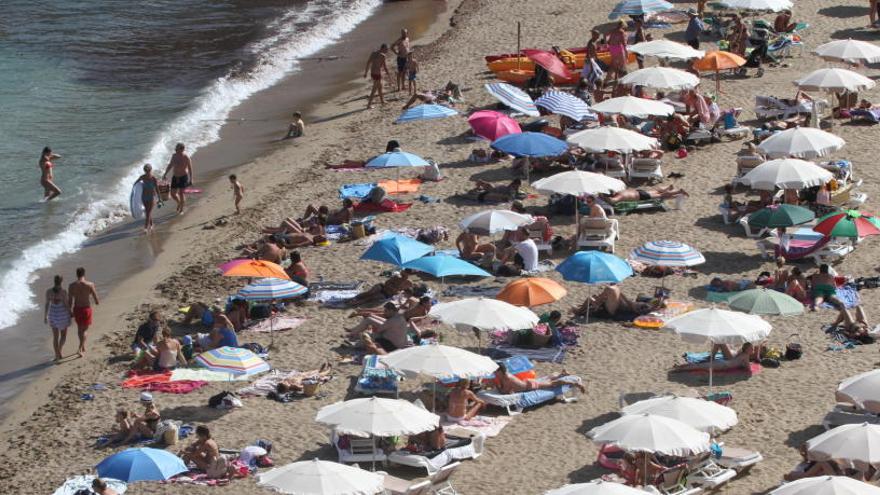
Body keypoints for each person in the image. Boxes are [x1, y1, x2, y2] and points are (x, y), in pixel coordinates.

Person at [571, 284, 655, 321]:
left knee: (610, 289)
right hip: (614, 305)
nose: (639, 304)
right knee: (613, 288)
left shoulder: (632, 308)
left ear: (638, 310)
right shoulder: (632, 304)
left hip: (612, 310)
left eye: (640, 306)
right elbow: (622, 296)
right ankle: (596, 303)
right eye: (640, 304)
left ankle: (579, 311)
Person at [494, 362, 586, 393]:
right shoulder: (506, 374)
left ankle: (575, 383)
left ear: (500, 371)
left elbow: (504, 391)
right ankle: (562, 374)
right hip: (527, 382)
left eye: (495, 371)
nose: (494, 373)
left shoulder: (507, 378)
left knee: (552, 384)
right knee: (548, 379)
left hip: (529, 386)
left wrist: (496, 385)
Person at [68, 267, 98, 357]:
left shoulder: (71, 285)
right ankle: (80, 348)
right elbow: (96, 299)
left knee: (79, 329)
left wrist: (69, 311)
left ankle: (83, 346)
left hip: (77, 308)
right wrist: (96, 302)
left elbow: (70, 300)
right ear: (84, 274)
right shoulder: (90, 284)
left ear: (76, 274)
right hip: (86, 309)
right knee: (85, 330)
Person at [673, 342, 756, 372]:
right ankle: (679, 368)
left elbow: (741, 362)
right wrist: (744, 365)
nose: (753, 350)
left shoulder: (742, 352)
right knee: (699, 366)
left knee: (700, 365)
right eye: (751, 349)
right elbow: (749, 369)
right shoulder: (745, 356)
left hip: (725, 362)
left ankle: (679, 367)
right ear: (747, 349)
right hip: (724, 364)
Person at [346, 270, 413, 307]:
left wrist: (396, 290)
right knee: (369, 293)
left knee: (371, 297)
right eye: (404, 273)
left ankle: (355, 302)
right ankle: (354, 298)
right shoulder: (397, 277)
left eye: (405, 274)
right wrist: (394, 288)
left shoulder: (409, 283)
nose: (403, 274)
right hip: (382, 287)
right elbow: (387, 283)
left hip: (386, 294)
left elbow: (403, 292)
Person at [44, 275, 71, 362]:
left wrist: (45, 316)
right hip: (62, 315)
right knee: (63, 336)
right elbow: (66, 305)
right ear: (61, 281)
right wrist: (70, 314)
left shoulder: (48, 292)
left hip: (53, 315)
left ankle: (57, 355)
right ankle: (59, 351)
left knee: (55, 337)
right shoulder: (63, 292)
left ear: (54, 281)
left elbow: (47, 304)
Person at [162, 143, 194, 215]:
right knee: (173, 194)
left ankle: (182, 209)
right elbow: (170, 165)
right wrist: (165, 174)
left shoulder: (186, 157)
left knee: (181, 193)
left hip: (183, 177)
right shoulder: (174, 156)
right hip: (175, 177)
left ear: (182, 149)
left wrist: (191, 178)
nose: (175, 149)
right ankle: (179, 203)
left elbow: (190, 168)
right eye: (175, 148)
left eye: (177, 148)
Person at [132, 164, 160, 232]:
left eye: (148, 171)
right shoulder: (142, 177)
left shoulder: (153, 178)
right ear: (144, 171)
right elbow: (135, 184)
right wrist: (134, 194)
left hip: (151, 197)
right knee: (147, 212)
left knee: (148, 212)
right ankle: (151, 225)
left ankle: (145, 228)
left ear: (151, 170)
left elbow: (157, 189)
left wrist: (160, 198)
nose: (147, 172)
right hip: (144, 197)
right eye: (146, 171)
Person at [364, 44, 390, 109]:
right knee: (374, 89)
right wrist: (388, 73)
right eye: (386, 49)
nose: (387, 50)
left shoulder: (373, 53)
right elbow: (385, 67)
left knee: (380, 87)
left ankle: (382, 101)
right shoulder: (383, 56)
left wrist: (366, 73)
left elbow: (368, 62)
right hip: (377, 74)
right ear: (383, 48)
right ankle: (369, 105)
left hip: (372, 73)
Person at [602, 185, 688, 204]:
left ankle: (678, 191)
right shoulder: (620, 191)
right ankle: (669, 188)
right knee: (658, 192)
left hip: (641, 196)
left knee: (662, 195)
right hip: (639, 191)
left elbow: (612, 201)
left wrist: (602, 196)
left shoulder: (619, 196)